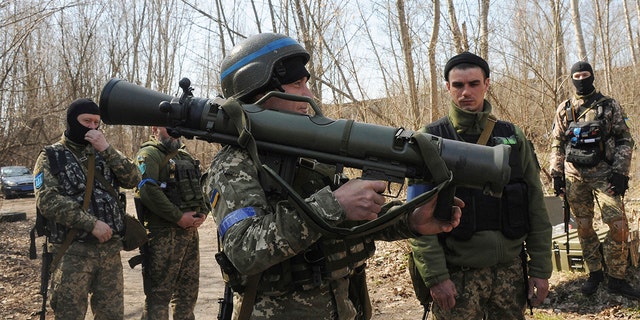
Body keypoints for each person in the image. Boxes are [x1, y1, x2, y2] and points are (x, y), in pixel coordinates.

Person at [202, 32, 464, 320]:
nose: (308, 95)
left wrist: (410, 220)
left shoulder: (307, 152)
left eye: (307, 84)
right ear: (258, 94)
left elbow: (351, 220)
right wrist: (333, 204)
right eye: (296, 84)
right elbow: (245, 249)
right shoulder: (233, 164)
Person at [407, 52, 552, 319]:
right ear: (447, 87)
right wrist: (436, 276)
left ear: (487, 84)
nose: (466, 92)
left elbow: (535, 204)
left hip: (510, 274)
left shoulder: (512, 136)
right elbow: (416, 219)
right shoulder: (428, 140)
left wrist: (541, 269)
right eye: (458, 85)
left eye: (474, 84)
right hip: (457, 276)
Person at [34, 98, 141, 319]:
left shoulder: (104, 152)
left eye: (96, 122)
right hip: (73, 252)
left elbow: (133, 179)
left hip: (109, 252)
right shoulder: (51, 156)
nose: (92, 127)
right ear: (72, 121)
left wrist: (107, 149)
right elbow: (47, 201)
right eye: (86, 121)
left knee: (112, 315)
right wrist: (91, 224)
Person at [550, 61, 637, 298]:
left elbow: (625, 140)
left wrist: (621, 172)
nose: (581, 79)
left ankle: (616, 277)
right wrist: (557, 174)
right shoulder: (564, 108)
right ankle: (595, 272)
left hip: (606, 175)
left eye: (585, 74)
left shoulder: (609, 106)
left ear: (592, 76)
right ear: (571, 78)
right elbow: (557, 142)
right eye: (576, 75)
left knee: (619, 227)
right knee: (585, 227)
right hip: (574, 177)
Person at [134, 126, 208, 319]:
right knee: (159, 296)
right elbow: (148, 191)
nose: (174, 133)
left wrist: (203, 212)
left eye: (177, 129)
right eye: (169, 129)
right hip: (162, 235)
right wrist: (178, 217)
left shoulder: (185, 156)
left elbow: (202, 186)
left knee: (187, 293)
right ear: (155, 129)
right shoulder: (149, 155)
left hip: (190, 235)